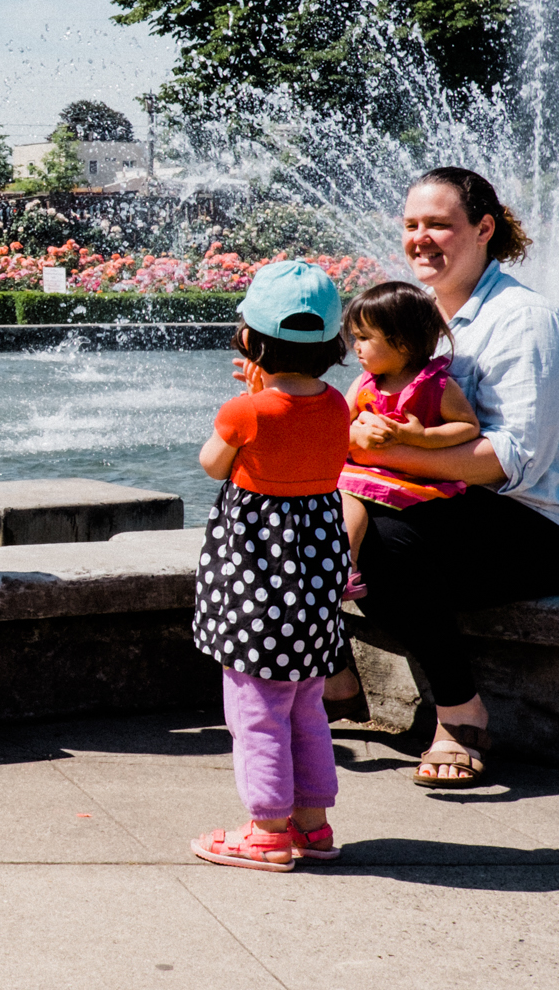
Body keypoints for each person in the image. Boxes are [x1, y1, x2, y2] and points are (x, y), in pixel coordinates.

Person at [322, 168, 559, 786]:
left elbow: (509, 460)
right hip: (444, 504)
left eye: (439, 225)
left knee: (386, 543)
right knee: (291, 511)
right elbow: (350, 426)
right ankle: (336, 679)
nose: (421, 239)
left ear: (483, 229)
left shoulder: (524, 322)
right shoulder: (407, 320)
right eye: (412, 225)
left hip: (538, 527)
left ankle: (459, 712)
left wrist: (383, 453)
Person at [189, 261, 353, 872]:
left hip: (257, 587)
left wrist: (253, 397)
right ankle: (312, 825)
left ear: (251, 343)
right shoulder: (339, 407)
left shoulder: (245, 411)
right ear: (335, 345)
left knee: (256, 711)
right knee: (307, 705)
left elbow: (212, 463)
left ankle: (265, 830)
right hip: (313, 588)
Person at [335, 281, 480, 600]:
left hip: (412, 480)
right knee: (343, 498)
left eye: (363, 338)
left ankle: (345, 567)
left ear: (401, 343)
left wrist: (422, 436)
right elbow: (336, 426)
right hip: (368, 475)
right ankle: (342, 565)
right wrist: (356, 432)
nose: (355, 347)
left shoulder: (435, 386)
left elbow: (467, 427)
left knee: (349, 500)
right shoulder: (365, 383)